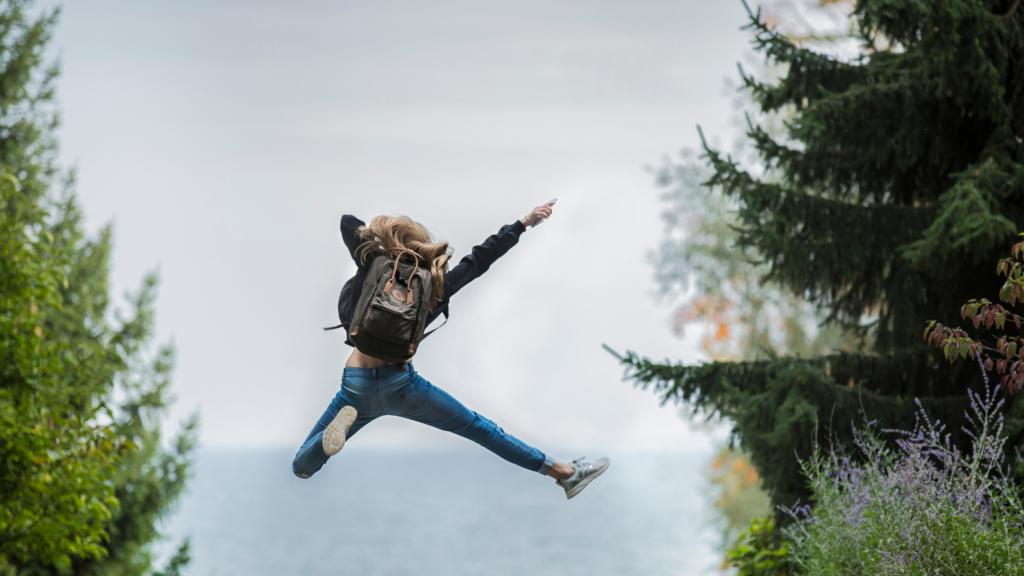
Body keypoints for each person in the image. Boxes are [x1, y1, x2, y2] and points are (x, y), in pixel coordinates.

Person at [290, 200, 610, 499]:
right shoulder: (434, 285)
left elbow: (348, 222)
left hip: (356, 386)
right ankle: (565, 473)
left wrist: (380, 238)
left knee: (302, 467)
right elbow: (480, 260)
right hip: (401, 386)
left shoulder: (373, 264)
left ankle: (326, 443)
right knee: (481, 429)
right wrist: (523, 223)